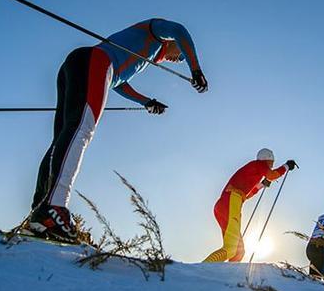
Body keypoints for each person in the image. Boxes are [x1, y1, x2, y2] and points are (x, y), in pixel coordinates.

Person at [27, 18, 208, 242]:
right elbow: (180, 29)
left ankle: (40, 213)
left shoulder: (143, 54)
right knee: (81, 131)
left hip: (80, 63)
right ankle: (54, 209)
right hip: (97, 61)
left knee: (64, 137)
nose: (176, 60)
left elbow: (117, 82)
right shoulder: (154, 33)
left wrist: (146, 101)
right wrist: (196, 69)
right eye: (179, 54)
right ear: (172, 42)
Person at [203, 148, 296, 262]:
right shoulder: (259, 164)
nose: (272, 165)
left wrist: (262, 185)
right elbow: (272, 175)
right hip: (230, 201)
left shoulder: (254, 170)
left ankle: (227, 276)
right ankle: (200, 269)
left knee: (238, 251)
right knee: (231, 248)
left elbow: (247, 195)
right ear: (268, 159)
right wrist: (286, 166)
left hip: (225, 204)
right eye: (272, 162)